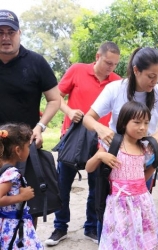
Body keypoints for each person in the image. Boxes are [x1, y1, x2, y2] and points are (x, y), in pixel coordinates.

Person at [83, 47, 158, 241]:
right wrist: (100, 129)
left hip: (141, 157)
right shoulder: (115, 88)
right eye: (151, 76)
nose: (155, 81)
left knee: (139, 207)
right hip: (113, 157)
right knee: (106, 205)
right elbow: (88, 118)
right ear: (136, 70)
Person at [45, 41, 121, 246]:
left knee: (97, 189)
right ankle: (60, 227)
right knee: (62, 185)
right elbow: (55, 97)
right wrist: (69, 111)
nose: (110, 68)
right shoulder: (77, 70)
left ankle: (90, 227)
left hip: (101, 143)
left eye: (114, 64)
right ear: (97, 57)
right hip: (72, 139)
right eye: (107, 62)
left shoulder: (117, 82)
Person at [0, 9, 60, 228]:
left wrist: (40, 127)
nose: (5, 37)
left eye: (10, 32)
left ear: (19, 33)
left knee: (27, 204)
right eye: (0, 32)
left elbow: (55, 99)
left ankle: (25, 242)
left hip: (24, 147)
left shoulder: (35, 62)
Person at [86, 101, 158, 249]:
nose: (142, 127)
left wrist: (155, 164)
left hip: (142, 204)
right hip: (119, 206)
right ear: (124, 123)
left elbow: (141, 180)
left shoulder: (145, 148)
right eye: (137, 122)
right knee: (121, 242)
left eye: (146, 123)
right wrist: (100, 157)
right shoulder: (112, 144)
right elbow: (89, 168)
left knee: (143, 240)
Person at [0, 123, 43, 249]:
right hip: (13, 224)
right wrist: (22, 196)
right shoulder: (11, 173)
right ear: (18, 150)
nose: (29, 150)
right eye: (28, 147)